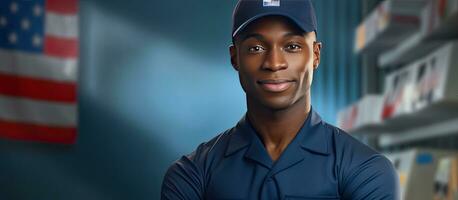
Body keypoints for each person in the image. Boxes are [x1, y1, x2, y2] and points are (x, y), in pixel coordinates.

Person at [161, 0, 400, 199]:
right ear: (235, 58)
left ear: (315, 55)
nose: (274, 63)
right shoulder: (192, 174)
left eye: (292, 46)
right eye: (256, 48)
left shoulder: (366, 170)